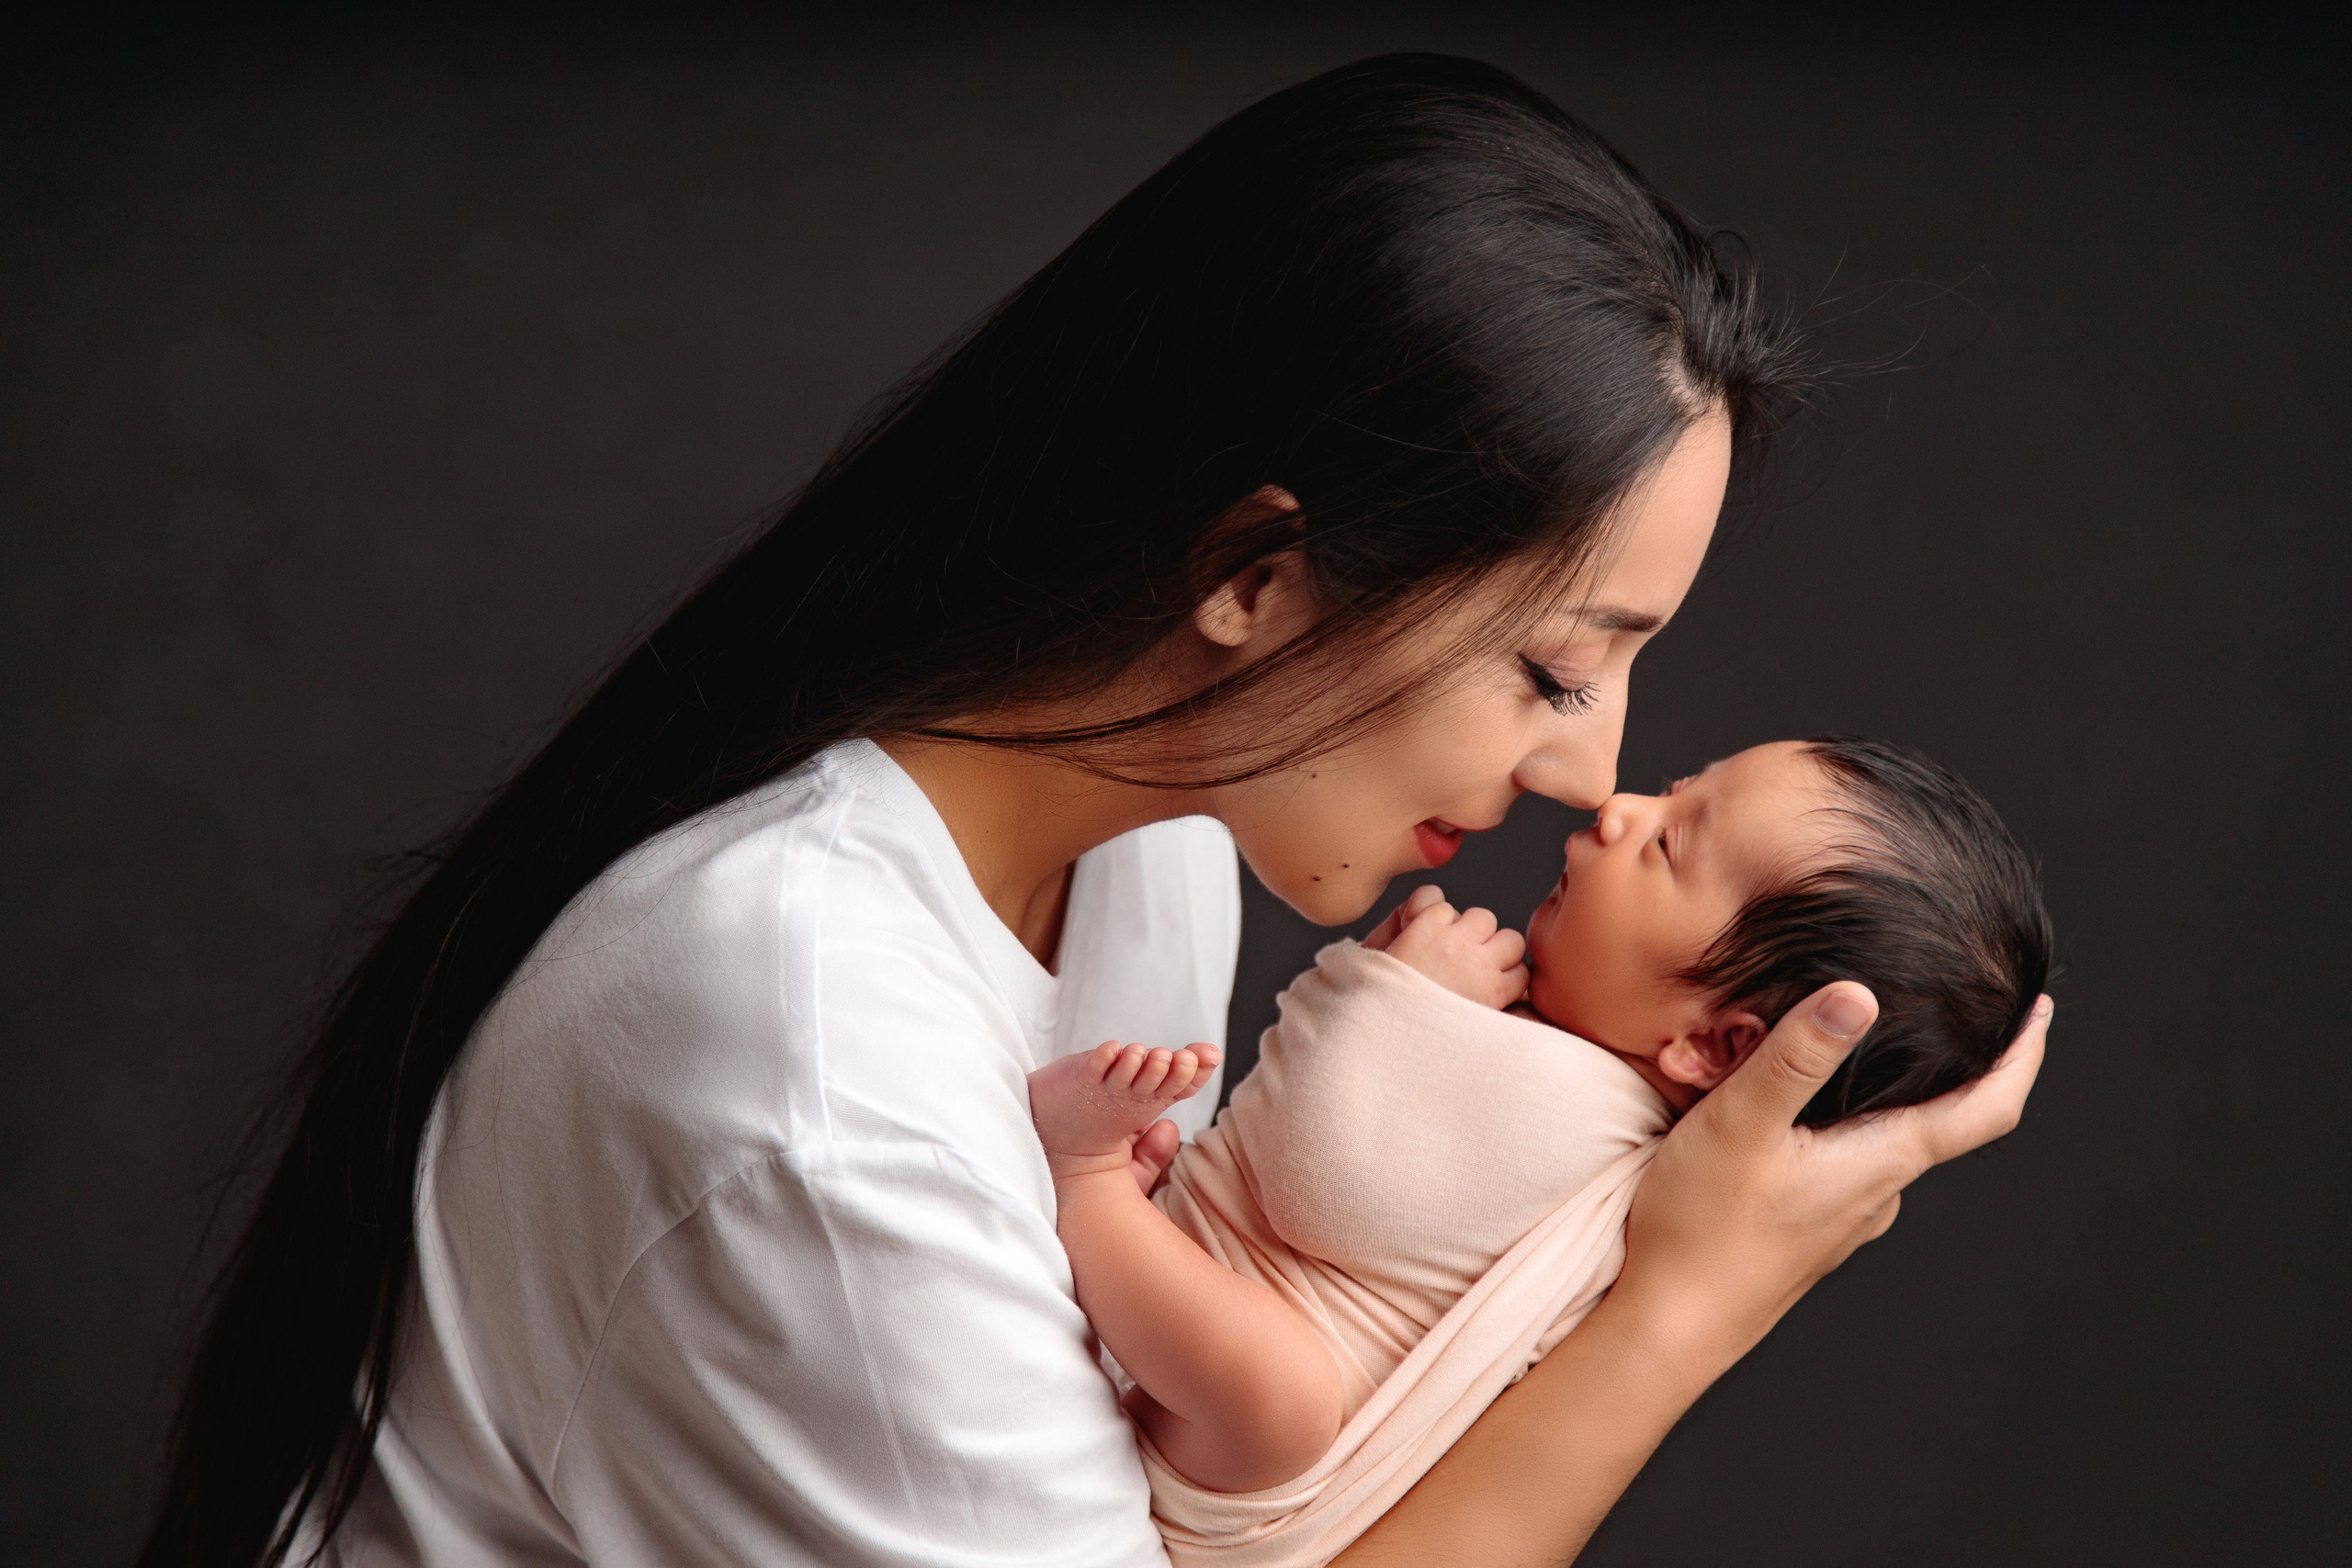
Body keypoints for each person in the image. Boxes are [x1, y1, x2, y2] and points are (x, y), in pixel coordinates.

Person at [141, 54, 2050, 1568]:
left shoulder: (1140, 869)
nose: (1584, 769)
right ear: (1253, 577)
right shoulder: (809, 1070)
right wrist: (1676, 1307)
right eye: (1552, 666)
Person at [1026, 737, 2052, 1562]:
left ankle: (1085, 1185)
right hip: (1184, 1376)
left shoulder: (1583, 1114)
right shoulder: (1612, 1125)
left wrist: (1382, 992)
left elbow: (1327, 1174)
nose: (1616, 808)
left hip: (1240, 1486)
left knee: (1278, 1398)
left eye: (1666, 846)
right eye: (1671, 790)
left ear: (1714, 1045)